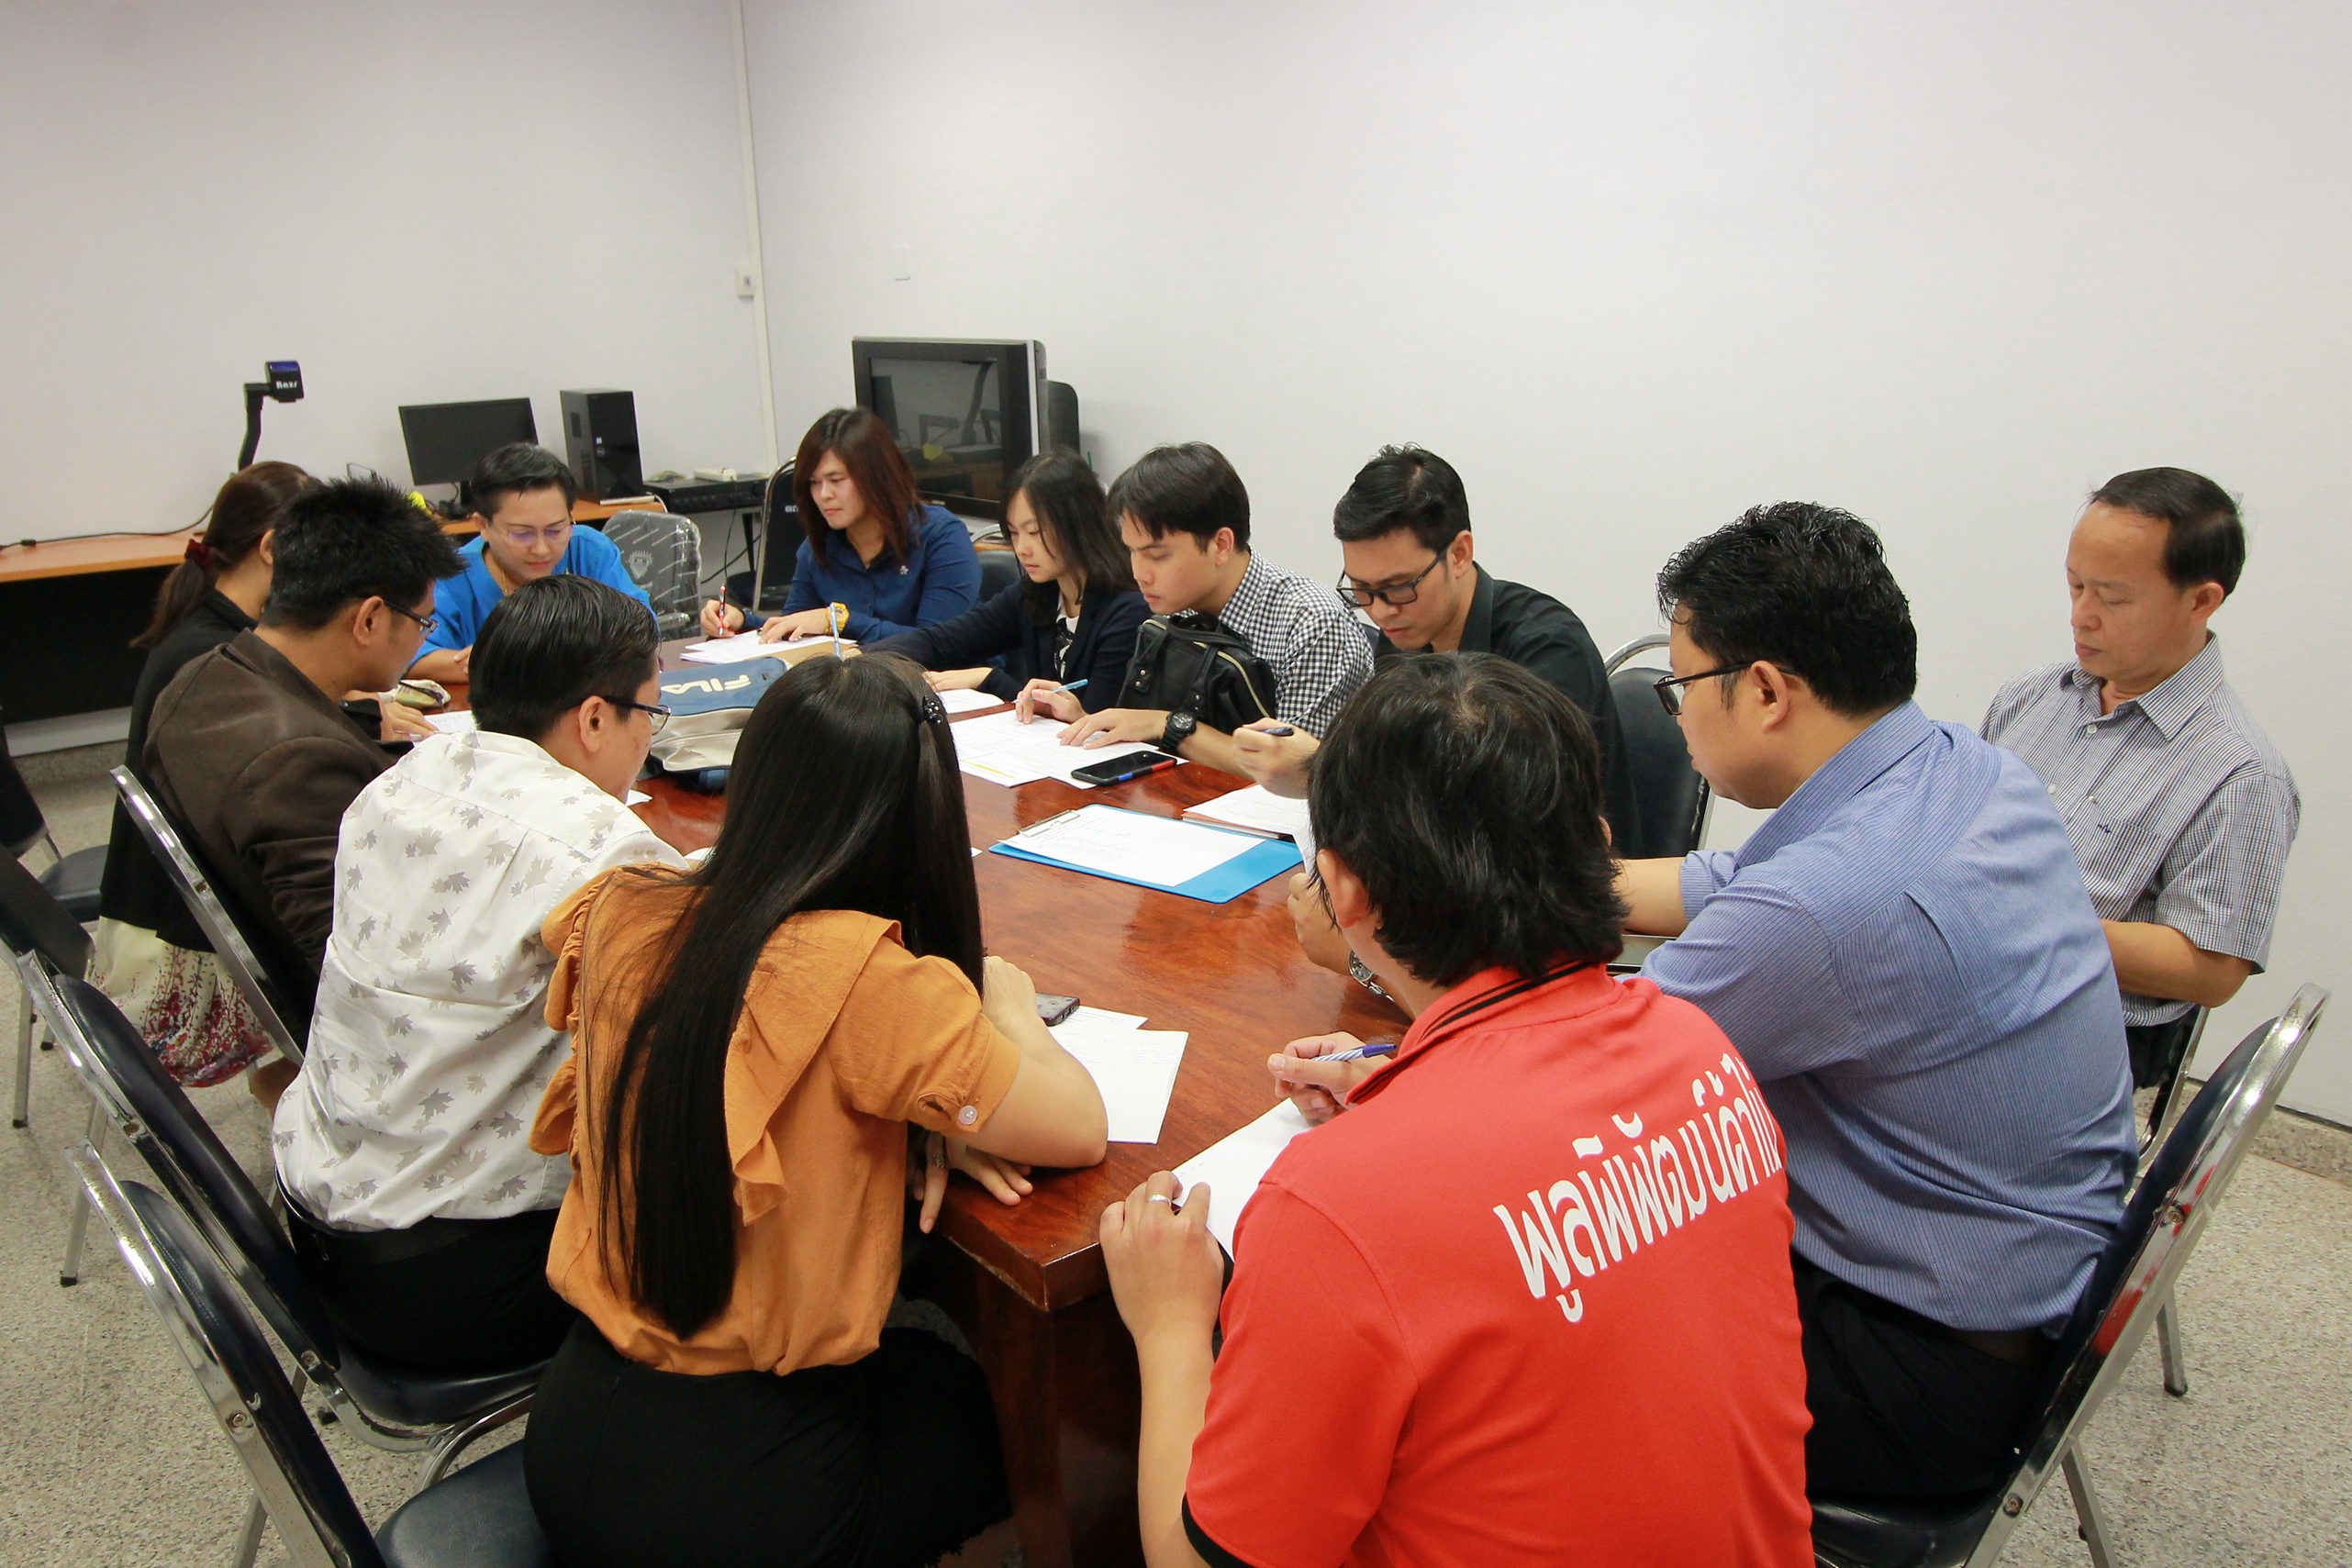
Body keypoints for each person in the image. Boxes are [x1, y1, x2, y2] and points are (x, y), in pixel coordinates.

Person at [1098, 654, 1813, 1568]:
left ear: (1341, 888)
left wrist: (1167, 1325)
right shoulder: (1700, 1047)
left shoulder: (1332, 1204)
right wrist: (1415, 1079)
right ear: (1598, 845)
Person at [523, 653, 1108, 1568]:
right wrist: (1006, 1004)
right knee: (1022, 1413)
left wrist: (919, 1122)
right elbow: (1078, 1124)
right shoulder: (867, 975)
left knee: (925, 1367)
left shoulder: (628, 904)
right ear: (919, 815)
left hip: (573, 1428)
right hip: (749, 1496)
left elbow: (739, 1076)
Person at [1613, 503, 2136, 1499]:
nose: (1676, 714)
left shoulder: (1826, 909)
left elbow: (1582, 1071)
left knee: (1543, 1283)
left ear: (1764, 690)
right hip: (2020, 1284)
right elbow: (1740, 886)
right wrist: (1562, 887)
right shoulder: (1965, 769)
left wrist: (1391, 952)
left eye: (1680, 686)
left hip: (1914, 1374)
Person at [273, 576, 687, 1374]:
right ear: (594, 718)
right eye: (650, 713)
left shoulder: (400, 779)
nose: (648, 737)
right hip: (457, 1277)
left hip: (323, 1224)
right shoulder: (597, 847)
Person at [1981, 468, 2298, 1097]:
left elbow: (2211, 970)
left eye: (2113, 598)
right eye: (2075, 585)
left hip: (2074, 1028)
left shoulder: (2240, 772)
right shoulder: (2031, 697)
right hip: (1960, 977)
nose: (2082, 616)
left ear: (2200, 601)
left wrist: (2021, 926)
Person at [144, 478, 463, 1073]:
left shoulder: (202, 677)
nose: (422, 636)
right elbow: (357, 968)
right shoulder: (296, 761)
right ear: (370, 619)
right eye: (422, 623)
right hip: (378, 1041)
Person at [1228, 445, 1639, 847]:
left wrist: (1321, 771)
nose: (1380, 611)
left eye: (1398, 587)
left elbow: (1504, 815)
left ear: (1459, 554)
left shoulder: (1547, 647)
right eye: (1361, 590)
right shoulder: (1406, 634)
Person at [91, 462, 321, 1097]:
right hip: (186, 930)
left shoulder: (210, 623)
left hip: (166, 896)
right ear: (272, 548)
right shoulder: (208, 651)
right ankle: (295, 1091)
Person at [1029, 443, 1374, 771]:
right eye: (1131, 552)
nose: (1138, 574)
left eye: (1157, 555)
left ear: (1220, 545)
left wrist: (1170, 726)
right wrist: (1086, 722)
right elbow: (1145, 730)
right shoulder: (1174, 606)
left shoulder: (1313, 624)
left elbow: (1299, 773)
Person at [869, 450, 1147, 713]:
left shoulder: (1128, 608)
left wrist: (988, 679)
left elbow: (1093, 720)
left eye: (1035, 532)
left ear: (1078, 524)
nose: (1022, 548)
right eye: (1014, 533)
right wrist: (860, 659)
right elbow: (943, 642)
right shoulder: (1039, 592)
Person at [697, 407, 982, 644]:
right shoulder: (818, 547)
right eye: (814, 483)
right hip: (860, 686)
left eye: (836, 480)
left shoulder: (941, 536)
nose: (824, 495)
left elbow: (937, 644)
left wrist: (838, 621)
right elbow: (793, 626)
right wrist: (742, 621)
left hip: (949, 687)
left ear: (876, 477)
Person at [408, 442, 652, 684]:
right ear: (483, 525)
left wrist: (519, 663)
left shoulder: (589, 551)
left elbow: (640, 628)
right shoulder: (452, 575)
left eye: (556, 530)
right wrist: (498, 665)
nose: (541, 549)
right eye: (522, 534)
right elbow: (411, 657)